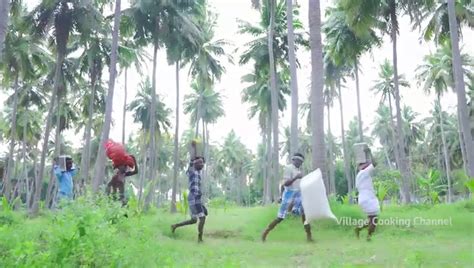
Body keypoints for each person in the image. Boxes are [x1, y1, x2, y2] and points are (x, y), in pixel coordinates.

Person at [262, 153, 313, 242]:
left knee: (305, 214)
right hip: (289, 194)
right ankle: (265, 233)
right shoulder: (289, 168)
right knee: (280, 217)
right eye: (299, 161)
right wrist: (296, 177)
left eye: (301, 162)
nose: (300, 163)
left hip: (298, 194)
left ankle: (309, 236)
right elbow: (285, 183)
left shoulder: (299, 170)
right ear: (294, 160)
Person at [171, 155, 208, 243]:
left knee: (196, 219)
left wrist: (202, 204)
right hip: (192, 197)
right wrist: (193, 159)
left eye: (203, 163)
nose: (202, 165)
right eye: (200, 163)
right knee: (198, 219)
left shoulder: (198, 174)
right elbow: (190, 168)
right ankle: (199, 239)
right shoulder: (192, 171)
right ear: (195, 164)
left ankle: (175, 226)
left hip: (198, 198)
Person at [354, 147, 379, 241]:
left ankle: (359, 229)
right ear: (361, 166)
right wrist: (370, 152)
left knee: (371, 220)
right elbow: (375, 163)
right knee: (374, 220)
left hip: (364, 198)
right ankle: (368, 237)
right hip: (367, 198)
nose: (367, 165)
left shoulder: (359, 175)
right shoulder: (364, 172)